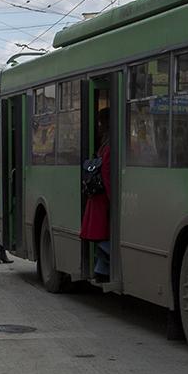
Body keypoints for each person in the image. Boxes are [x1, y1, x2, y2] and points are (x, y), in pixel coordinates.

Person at [80, 108, 111, 282]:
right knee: (104, 236)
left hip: (98, 199)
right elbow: (107, 174)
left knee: (102, 235)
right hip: (103, 200)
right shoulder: (109, 146)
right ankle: (102, 270)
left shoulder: (104, 145)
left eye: (100, 123)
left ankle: (101, 270)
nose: (98, 127)